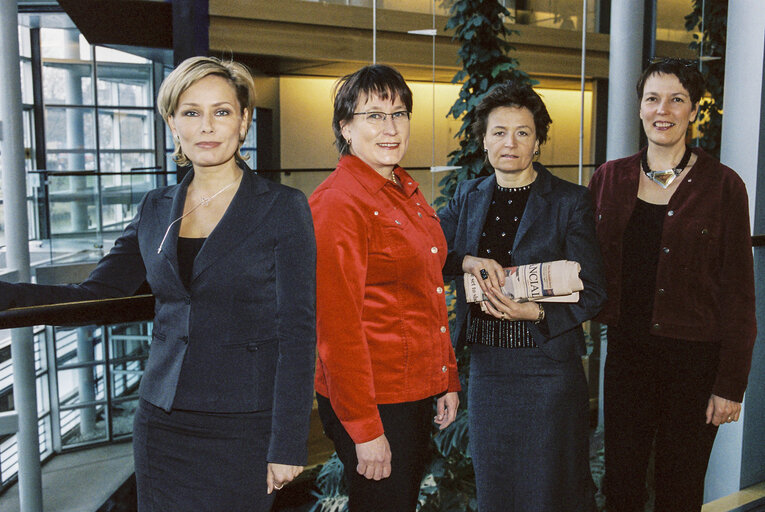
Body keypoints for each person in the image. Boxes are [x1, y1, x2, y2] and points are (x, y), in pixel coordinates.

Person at [0, 56, 316, 512]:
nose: (206, 126)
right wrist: (8, 295)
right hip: (161, 422)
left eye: (221, 111)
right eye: (191, 112)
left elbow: (298, 330)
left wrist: (288, 443)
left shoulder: (283, 208)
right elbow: (97, 297)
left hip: (243, 426)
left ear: (244, 121)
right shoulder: (156, 207)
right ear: (172, 123)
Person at [588, 58, 756, 512]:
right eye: (653, 98)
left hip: (695, 363)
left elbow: (740, 293)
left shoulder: (723, 187)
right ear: (640, 108)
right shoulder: (608, 178)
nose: (663, 109)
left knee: (679, 487)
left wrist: (730, 384)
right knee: (620, 482)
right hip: (626, 356)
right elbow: (582, 262)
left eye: (677, 99)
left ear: (695, 111)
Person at [438, 81, 606, 512]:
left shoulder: (570, 201)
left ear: (538, 142)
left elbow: (595, 292)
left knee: (547, 494)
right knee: (496, 493)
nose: (508, 142)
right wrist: (466, 260)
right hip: (490, 374)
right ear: (483, 140)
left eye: (522, 132)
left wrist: (535, 311)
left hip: (547, 370)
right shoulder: (468, 196)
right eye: (498, 132)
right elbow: (428, 254)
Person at [309, 64, 461, 512]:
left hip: (411, 391)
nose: (390, 127)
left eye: (399, 113)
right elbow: (337, 330)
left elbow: (427, 294)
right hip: (372, 400)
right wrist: (365, 428)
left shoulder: (403, 190)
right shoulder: (339, 202)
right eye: (374, 115)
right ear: (346, 128)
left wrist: (445, 378)